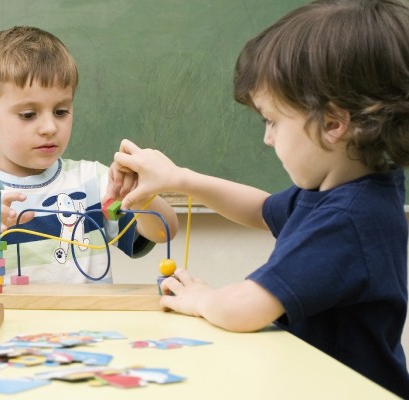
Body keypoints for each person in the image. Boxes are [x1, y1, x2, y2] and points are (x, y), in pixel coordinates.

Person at [105, 0, 409, 397]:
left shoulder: (349, 220)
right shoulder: (343, 193)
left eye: (273, 121)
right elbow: (260, 209)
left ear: (333, 124)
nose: (267, 138)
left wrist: (203, 298)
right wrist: (179, 178)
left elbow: (243, 309)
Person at [0, 26, 177, 293]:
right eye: (28, 115)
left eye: (61, 111)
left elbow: (164, 232)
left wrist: (141, 196)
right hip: (8, 336)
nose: (49, 127)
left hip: (87, 333)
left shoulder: (95, 181)